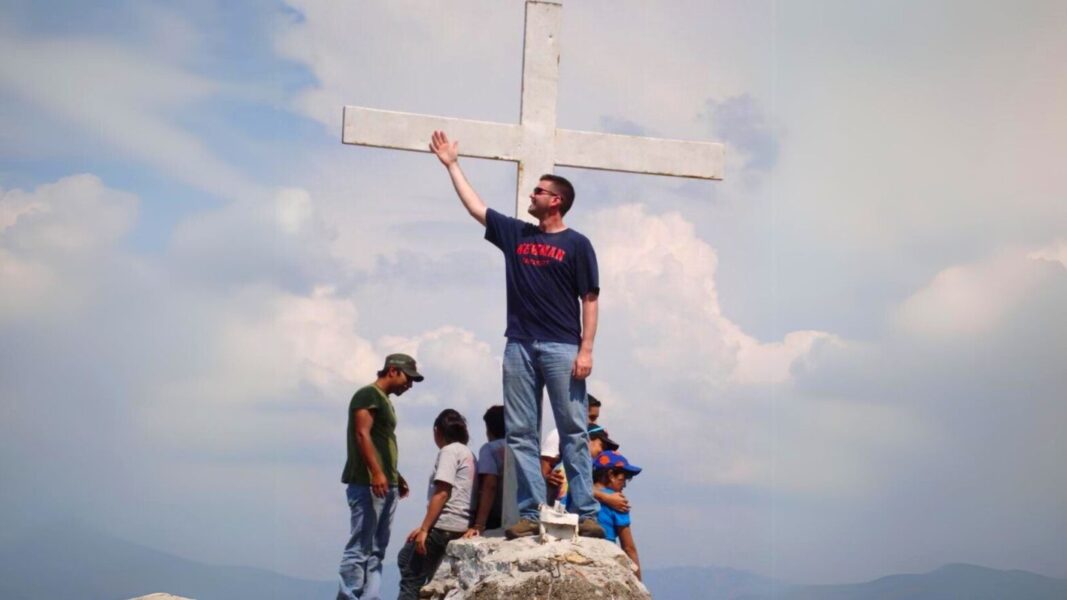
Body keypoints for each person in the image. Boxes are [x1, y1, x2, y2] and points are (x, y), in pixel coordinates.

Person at [429, 130, 604, 540]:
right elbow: (477, 209)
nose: (533, 194)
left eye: (540, 191)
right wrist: (453, 165)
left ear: (556, 200)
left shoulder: (578, 245)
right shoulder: (518, 234)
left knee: (574, 430)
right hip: (520, 346)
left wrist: (587, 349)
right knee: (521, 433)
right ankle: (529, 511)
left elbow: (590, 299)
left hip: (563, 347)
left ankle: (586, 512)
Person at [338, 354, 422, 600]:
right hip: (367, 483)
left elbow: (380, 441)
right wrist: (376, 472)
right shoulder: (368, 394)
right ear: (393, 371)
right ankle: (349, 596)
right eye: (409, 378)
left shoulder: (384, 400)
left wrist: (395, 474)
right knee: (360, 548)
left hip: (384, 483)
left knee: (376, 551)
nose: (410, 385)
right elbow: (362, 434)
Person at [397, 409, 477, 600]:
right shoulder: (468, 453)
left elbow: (442, 492)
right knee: (405, 558)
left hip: (445, 525)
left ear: (437, 431)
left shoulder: (449, 452)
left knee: (411, 573)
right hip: (459, 523)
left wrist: (425, 529)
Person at [541, 395, 630, 513]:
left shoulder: (588, 457)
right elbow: (545, 472)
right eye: (591, 417)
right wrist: (607, 498)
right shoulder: (557, 435)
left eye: (596, 418)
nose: (594, 422)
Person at [592, 450, 643, 581]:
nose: (624, 485)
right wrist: (639, 583)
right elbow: (628, 547)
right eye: (622, 479)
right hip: (605, 557)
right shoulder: (618, 502)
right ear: (611, 475)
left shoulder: (578, 494)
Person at [464, 405, 506, 537]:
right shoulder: (521, 448)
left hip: (497, 515)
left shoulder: (489, 449)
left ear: (489, 429)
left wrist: (479, 525)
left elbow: (489, 485)